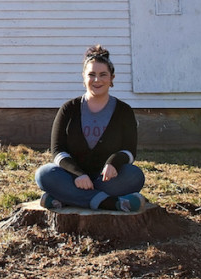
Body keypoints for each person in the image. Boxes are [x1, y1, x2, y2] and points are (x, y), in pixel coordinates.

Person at [35, 44, 146, 212]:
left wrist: (113, 163)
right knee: (44, 175)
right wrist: (79, 175)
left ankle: (67, 198)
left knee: (135, 176)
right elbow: (57, 151)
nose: (97, 80)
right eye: (91, 74)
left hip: (107, 180)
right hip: (73, 178)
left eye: (103, 75)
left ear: (112, 78)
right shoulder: (69, 108)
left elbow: (129, 150)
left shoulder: (124, 111)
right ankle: (110, 203)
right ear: (83, 77)